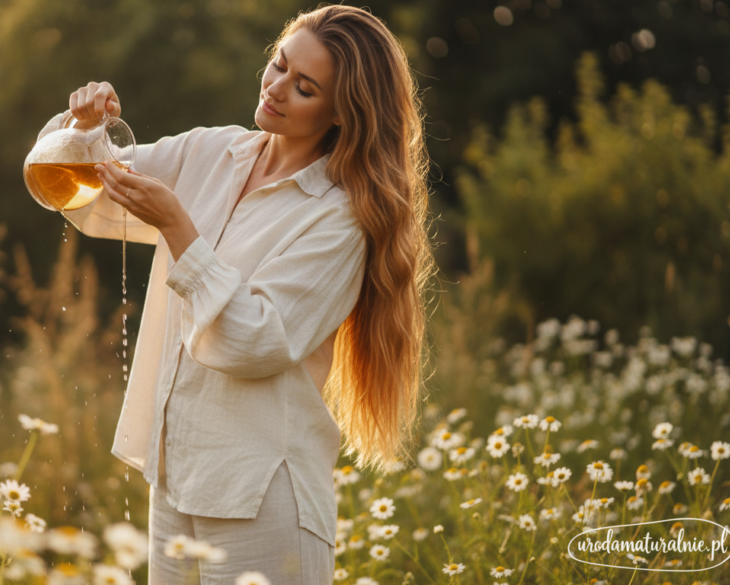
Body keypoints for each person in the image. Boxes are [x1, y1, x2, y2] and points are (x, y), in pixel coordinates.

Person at [33, 4, 435, 583]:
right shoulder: (210, 152)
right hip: (175, 476)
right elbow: (89, 203)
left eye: (304, 87)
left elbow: (256, 341)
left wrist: (178, 228)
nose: (276, 88)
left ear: (342, 113)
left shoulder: (340, 218)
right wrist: (83, 128)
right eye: (279, 65)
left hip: (263, 494)